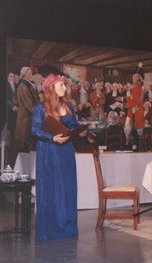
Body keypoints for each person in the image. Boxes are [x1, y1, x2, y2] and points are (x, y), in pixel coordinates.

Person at [31, 74, 87, 241]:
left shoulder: (69, 105)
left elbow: (73, 126)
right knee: (52, 189)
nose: (65, 88)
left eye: (65, 85)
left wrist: (81, 132)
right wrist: (52, 138)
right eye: (61, 85)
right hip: (49, 152)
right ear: (51, 88)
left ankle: (67, 228)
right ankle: (50, 229)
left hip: (66, 151)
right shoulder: (40, 108)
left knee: (68, 188)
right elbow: (35, 130)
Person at [15, 66, 40, 151]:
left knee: (28, 144)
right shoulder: (23, 85)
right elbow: (29, 103)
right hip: (25, 118)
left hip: (28, 117)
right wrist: (38, 113)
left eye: (31, 73)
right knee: (24, 144)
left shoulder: (27, 84)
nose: (31, 75)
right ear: (25, 75)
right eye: (29, 73)